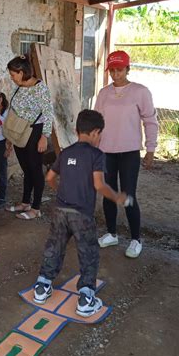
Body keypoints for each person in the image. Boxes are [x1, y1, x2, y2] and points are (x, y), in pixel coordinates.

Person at [33, 110, 129, 317]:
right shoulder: (96, 155)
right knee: (88, 252)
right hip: (81, 214)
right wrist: (117, 197)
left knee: (54, 246)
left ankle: (42, 286)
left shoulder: (66, 152)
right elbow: (99, 185)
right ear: (95, 132)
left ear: (77, 131)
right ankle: (86, 298)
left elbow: (49, 176)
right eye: (100, 134)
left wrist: (59, 190)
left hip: (60, 210)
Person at [94, 50, 158, 259]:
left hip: (129, 152)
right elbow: (97, 123)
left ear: (128, 69)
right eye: (112, 70)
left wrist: (150, 149)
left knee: (128, 195)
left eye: (119, 70)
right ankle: (111, 233)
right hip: (106, 152)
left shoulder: (140, 92)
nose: (115, 74)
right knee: (109, 193)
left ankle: (135, 239)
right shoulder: (103, 93)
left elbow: (150, 121)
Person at [5, 54, 54, 220]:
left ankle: (36, 208)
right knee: (26, 169)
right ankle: (25, 202)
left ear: (21, 71)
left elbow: (48, 113)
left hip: (34, 132)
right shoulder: (18, 87)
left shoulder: (40, 88)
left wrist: (44, 136)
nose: (11, 78)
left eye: (13, 74)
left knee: (35, 170)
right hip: (18, 131)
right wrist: (9, 138)